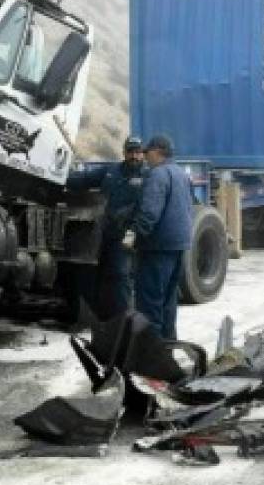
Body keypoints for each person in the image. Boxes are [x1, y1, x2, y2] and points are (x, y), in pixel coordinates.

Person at [66, 136, 144, 318]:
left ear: (142, 154)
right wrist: (60, 177)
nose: (134, 156)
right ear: (124, 152)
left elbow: (149, 209)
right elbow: (84, 179)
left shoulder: (147, 176)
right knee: (93, 274)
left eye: (137, 152)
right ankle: (102, 316)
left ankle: (124, 319)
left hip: (127, 235)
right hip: (104, 233)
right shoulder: (111, 171)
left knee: (120, 275)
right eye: (130, 151)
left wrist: (133, 234)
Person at [130, 133, 193, 340]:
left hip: (157, 247)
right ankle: (167, 348)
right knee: (168, 300)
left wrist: (135, 235)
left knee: (150, 303)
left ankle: (152, 356)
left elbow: (150, 212)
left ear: (157, 152)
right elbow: (188, 207)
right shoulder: (181, 173)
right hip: (178, 245)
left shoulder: (157, 174)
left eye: (148, 153)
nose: (145, 157)